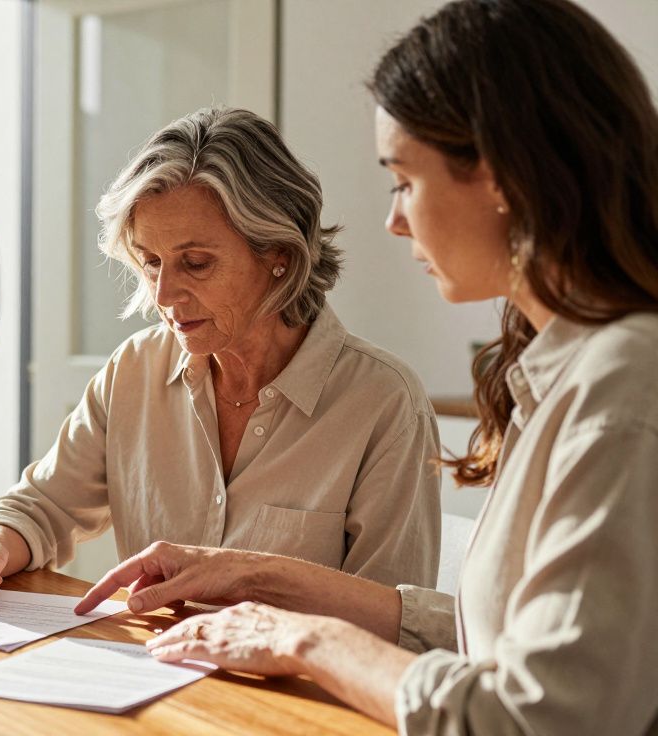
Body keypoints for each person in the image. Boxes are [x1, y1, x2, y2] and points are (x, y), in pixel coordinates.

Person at [75, 1, 658, 733]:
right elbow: (506, 647)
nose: (395, 219)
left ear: (504, 175)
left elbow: (537, 719)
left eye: (404, 179)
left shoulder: (623, 392)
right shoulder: (564, 371)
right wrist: (260, 580)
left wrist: (306, 637)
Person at [0, 107, 442, 603]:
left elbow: (392, 618)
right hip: (153, 681)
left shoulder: (382, 403)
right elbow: (44, 505)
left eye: (195, 263)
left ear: (279, 254)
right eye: (151, 263)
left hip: (296, 693)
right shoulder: (134, 370)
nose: (164, 294)